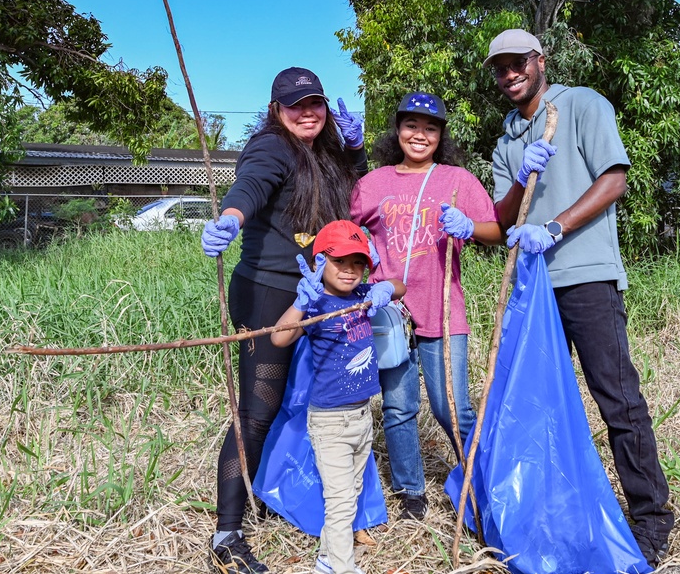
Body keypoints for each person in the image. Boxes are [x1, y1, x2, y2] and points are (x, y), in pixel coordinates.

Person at [483, 29, 674, 568]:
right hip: (533, 286)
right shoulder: (506, 139)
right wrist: (521, 178)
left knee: (617, 398)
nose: (510, 74)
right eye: (500, 68)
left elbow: (615, 180)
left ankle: (651, 518)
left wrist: (556, 226)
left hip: (586, 275)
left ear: (540, 61)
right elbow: (503, 217)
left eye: (518, 63)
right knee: (537, 403)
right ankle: (550, 515)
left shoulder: (582, 104)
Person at [200, 67, 367, 574]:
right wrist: (230, 218)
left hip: (317, 293)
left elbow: (350, 198)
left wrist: (356, 152)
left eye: (315, 101)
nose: (308, 111)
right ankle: (227, 530)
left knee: (313, 399)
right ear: (277, 110)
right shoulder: (271, 148)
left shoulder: (325, 155)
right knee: (258, 408)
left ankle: (279, 493)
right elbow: (250, 186)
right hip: (269, 294)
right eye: (295, 104)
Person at [350, 91, 502, 520]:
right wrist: (365, 259)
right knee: (398, 406)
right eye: (411, 125)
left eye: (430, 128)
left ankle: (482, 479)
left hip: (442, 308)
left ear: (440, 136)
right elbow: (349, 232)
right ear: (397, 130)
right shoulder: (372, 183)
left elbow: (496, 230)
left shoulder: (457, 179)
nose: (420, 135)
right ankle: (410, 493)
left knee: (451, 406)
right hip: (389, 311)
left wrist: (471, 226)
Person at [270, 220, 405, 574]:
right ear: (319, 264)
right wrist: (301, 303)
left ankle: (328, 559)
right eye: (340, 262)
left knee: (352, 492)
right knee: (341, 501)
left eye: (358, 263)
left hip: (362, 416)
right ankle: (343, 568)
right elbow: (279, 339)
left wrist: (385, 287)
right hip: (330, 420)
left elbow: (401, 287)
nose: (349, 271)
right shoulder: (316, 305)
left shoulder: (363, 297)